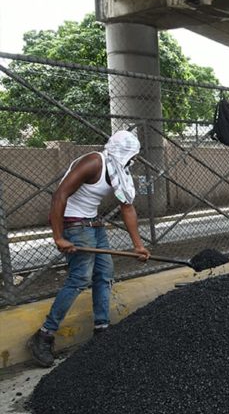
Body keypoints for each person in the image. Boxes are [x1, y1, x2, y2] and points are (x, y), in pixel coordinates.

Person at [28, 131, 151, 368]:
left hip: (93, 223)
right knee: (80, 278)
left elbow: (127, 207)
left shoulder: (119, 172)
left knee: (104, 274)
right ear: (123, 152)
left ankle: (102, 330)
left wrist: (138, 246)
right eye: (132, 155)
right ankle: (44, 336)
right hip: (74, 223)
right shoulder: (94, 162)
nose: (134, 160)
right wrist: (58, 236)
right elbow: (59, 195)